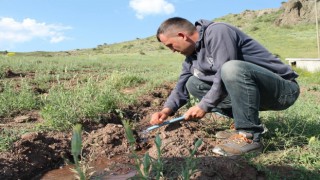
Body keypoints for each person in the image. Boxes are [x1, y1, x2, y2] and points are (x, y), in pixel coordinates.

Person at [150, 17, 300, 156]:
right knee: (193, 84)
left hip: (282, 91)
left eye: (170, 45)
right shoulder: (191, 59)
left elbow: (224, 71)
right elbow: (181, 87)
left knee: (231, 68)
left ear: (182, 35)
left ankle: (250, 136)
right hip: (255, 93)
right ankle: (243, 125)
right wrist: (166, 111)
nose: (172, 50)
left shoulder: (218, 32)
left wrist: (204, 105)